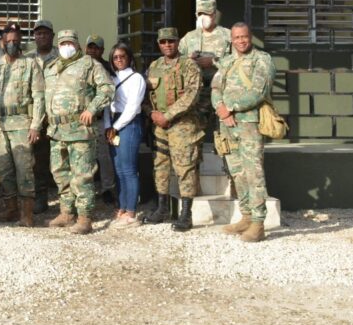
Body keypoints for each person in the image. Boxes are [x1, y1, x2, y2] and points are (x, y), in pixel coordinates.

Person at [43, 29, 114, 235]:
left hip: (80, 131)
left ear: (77, 45)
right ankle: (67, 212)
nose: (66, 47)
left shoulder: (89, 64)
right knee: (60, 173)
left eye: (70, 43)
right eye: (63, 43)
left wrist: (92, 109)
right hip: (57, 130)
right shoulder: (51, 67)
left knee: (82, 175)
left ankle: (85, 217)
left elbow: (107, 89)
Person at [212, 22, 276, 242]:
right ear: (232, 39)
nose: (241, 41)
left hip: (249, 124)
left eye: (244, 36)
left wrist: (231, 107)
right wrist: (221, 110)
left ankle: (258, 223)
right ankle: (246, 215)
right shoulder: (227, 61)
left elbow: (259, 91)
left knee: (253, 172)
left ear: (250, 37)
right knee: (237, 171)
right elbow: (215, 88)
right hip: (227, 125)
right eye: (237, 37)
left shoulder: (262, 59)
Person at [141, 27, 203, 232]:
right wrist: (152, 114)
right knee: (160, 166)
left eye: (171, 41)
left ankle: (186, 214)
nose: (167, 45)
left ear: (178, 43)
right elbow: (145, 95)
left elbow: (191, 95)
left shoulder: (189, 65)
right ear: (159, 44)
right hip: (159, 126)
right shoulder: (154, 66)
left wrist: (167, 116)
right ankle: (162, 208)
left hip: (183, 125)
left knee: (185, 168)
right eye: (163, 42)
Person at [0, 23, 45, 227]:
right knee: (3, 169)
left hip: (22, 123)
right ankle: (11, 208)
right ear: (2, 41)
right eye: (8, 40)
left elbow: (39, 97)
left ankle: (27, 214)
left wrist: (36, 125)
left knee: (24, 169)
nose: (12, 44)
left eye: (15, 40)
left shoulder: (30, 64)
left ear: (21, 41)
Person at [104, 43, 147, 227]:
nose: (119, 59)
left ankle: (131, 212)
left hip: (129, 124)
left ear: (129, 57)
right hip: (114, 123)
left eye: (122, 56)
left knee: (129, 169)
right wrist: (108, 125)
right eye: (115, 57)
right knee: (119, 170)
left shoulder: (136, 78)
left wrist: (116, 126)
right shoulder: (111, 79)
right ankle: (122, 207)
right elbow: (107, 104)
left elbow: (132, 107)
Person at [180, 0, 231, 132]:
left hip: (222, 91)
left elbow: (237, 61)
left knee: (223, 128)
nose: (203, 18)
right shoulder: (188, 38)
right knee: (195, 127)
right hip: (197, 91)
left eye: (206, 14)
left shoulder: (228, 35)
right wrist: (189, 60)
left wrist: (214, 61)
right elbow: (178, 61)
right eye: (200, 14)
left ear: (214, 14)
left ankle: (222, 151)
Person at [27, 19, 58, 214]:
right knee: (37, 161)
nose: (42, 36)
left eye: (46, 33)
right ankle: (40, 199)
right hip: (36, 118)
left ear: (52, 36)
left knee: (58, 161)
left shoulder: (61, 57)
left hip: (56, 116)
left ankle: (66, 202)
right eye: (38, 34)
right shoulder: (28, 58)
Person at [85, 34, 117, 204]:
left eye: (96, 48)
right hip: (82, 120)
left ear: (102, 50)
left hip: (100, 119)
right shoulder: (80, 66)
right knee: (84, 157)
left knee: (104, 157)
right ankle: (86, 190)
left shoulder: (107, 68)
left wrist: (108, 123)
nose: (92, 50)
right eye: (90, 47)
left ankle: (107, 189)